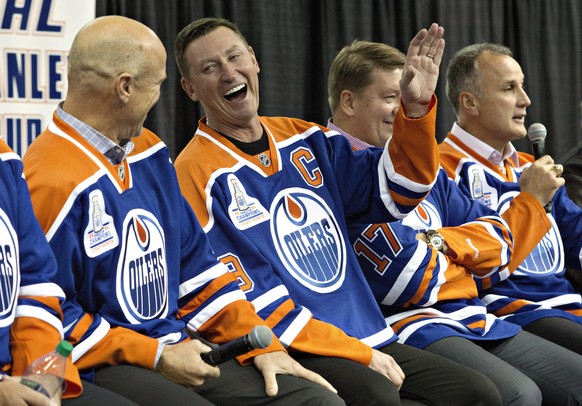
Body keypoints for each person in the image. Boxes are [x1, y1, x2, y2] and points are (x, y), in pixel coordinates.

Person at [174, 17, 502, 406]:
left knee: (478, 395)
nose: (229, 73)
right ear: (190, 88)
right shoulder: (194, 173)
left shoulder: (304, 137)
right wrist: (355, 353)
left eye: (234, 57)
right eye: (210, 68)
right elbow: (250, 294)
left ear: (254, 60)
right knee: (379, 397)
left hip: (369, 331)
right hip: (300, 342)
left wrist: (413, 113)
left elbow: (400, 191)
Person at [22, 15, 344, 406]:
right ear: (125, 87)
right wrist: (154, 355)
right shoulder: (49, 178)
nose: (160, 96)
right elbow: (48, 317)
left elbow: (198, 269)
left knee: (314, 400)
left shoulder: (149, 151)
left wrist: (263, 345)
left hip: (175, 345)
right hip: (102, 361)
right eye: (157, 84)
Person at [327, 39, 582, 405]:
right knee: (519, 395)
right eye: (392, 99)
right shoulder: (334, 168)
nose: (403, 113)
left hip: (472, 314)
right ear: (349, 102)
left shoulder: (423, 165)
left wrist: (437, 242)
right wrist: (471, 262)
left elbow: (500, 251)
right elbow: (410, 279)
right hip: (411, 325)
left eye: (410, 101)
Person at [439, 41, 582, 387]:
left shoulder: (529, 164)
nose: (525, 100)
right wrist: (530, 200)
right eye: (509, 88)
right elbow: (473, 261)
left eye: (523, 86)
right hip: (511, 309)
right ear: (469, 102)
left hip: (566, 303)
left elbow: (576, 235)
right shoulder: (439, 169)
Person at [0, 138, 143, 406]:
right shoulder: (52, 172)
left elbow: (33, 282)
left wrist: (40, 372)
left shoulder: (4, 159)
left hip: (17, 380)